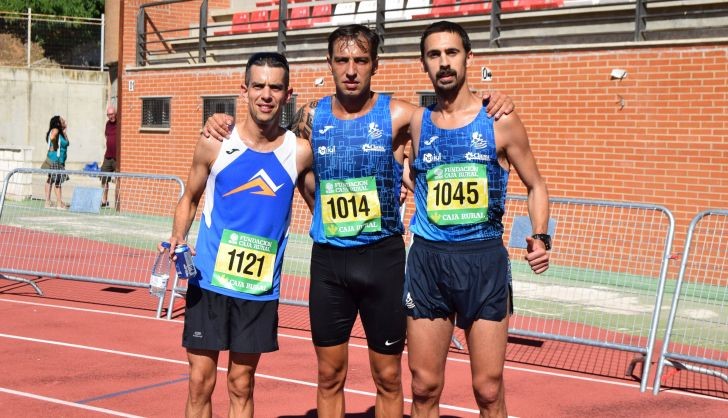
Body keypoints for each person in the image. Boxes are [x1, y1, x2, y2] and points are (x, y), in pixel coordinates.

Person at [203, 24, 515, 418]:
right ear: (330, 64)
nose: (351, 70)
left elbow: (451, 114)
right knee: (329, 375)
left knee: (389, 376)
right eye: (342, 60)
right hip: (330, 263)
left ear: (375, 65)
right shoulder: (311, 117)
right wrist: (222, 122)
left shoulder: (401, 114)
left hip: (383, 261)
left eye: (361, 61)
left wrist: (491, 100)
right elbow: (268, 138)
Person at [404, 21, 551, 418]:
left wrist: (540, 237)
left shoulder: (499, 119)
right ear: (423, 63)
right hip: (428, 262)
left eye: (451, 52)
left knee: (487, 389)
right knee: (423, 387)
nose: (443, 62)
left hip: (483, 262)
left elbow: (536, 185)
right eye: (434, 55)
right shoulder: (415, 121)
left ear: (468, 57)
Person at [165, 52, 313, 418]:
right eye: (258, 86)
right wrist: (178, 237)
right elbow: (189, 198)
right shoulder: (215, 141)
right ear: (243, 89)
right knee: (199, 382)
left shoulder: (299, 152)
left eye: (275, 87)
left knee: (242, 384)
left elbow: (322, 205)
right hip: (209, 281)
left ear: (287, 93)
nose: (266, 95)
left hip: (258, 288)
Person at [43, 115, 70, 210]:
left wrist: (64, 131)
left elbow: (66, 143)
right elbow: (52, 137)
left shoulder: (61, 132)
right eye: (62, 120)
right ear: (58, 123)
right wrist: (54, 143)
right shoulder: (56, 130)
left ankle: (48, 202)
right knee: (57, 181)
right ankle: (59, 203)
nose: (64, 121)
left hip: (52, 159)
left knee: (50, 179)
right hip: (55, 160)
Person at [101, 105, 118, 208]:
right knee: (104, 178)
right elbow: (106, 136)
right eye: (108, 115)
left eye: (112, 114)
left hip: (117, 158)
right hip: (108, 156)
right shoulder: (107, 124)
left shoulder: (120, 122)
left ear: (115, 113)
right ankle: (104, 201)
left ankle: (118, 202)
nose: (110, 116)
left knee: (118, 180)